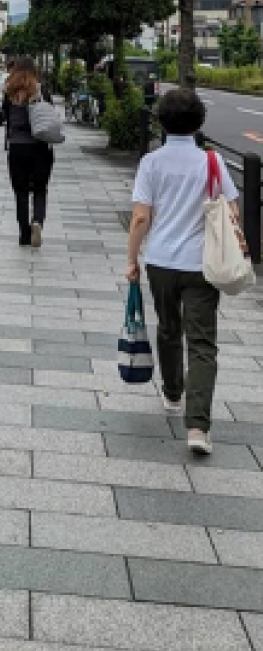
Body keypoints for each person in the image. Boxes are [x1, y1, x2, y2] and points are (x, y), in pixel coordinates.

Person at [127, 86, 241, 457]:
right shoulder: (212, 163)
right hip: (202, 264)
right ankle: (198, 426)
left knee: (168, 328)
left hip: (161, 260)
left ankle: (173, 392)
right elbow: (232, 211)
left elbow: (141, 216)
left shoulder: (152, 163)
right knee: (203, 343)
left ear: (161, 121)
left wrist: (132, 259)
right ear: (198, 123)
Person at [0, 55, 54, 249]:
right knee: (40, 188)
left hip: (17, 147)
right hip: (40, 146)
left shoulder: (9, 91)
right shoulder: (41, 90)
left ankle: (24, 233)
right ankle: (37, 220)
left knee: (20, 191)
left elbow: (3, 116)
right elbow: (50, 113)